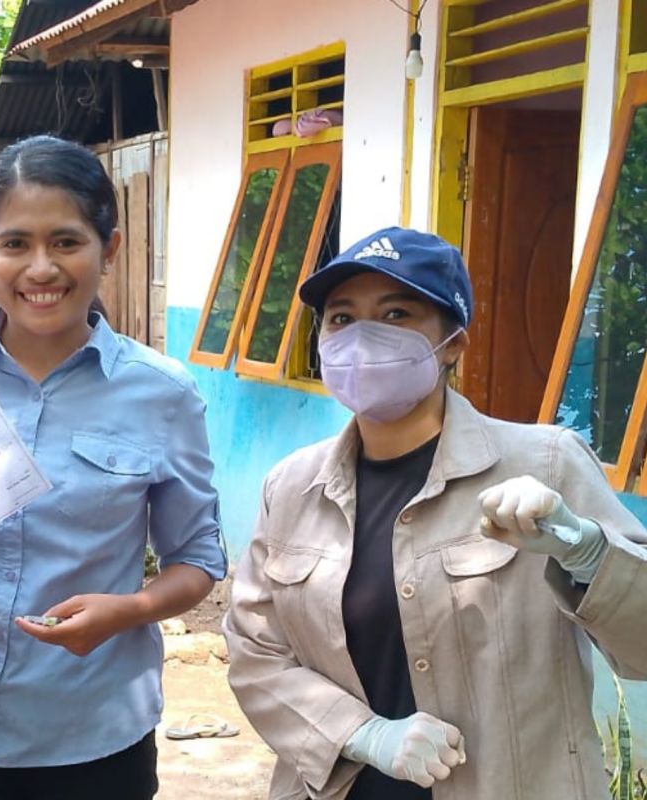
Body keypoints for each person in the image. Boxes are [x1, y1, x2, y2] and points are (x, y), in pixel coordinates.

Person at [222, 226, 647, 800]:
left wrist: (589, 553)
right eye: (342, 318)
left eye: (396, 314)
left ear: (453, 344)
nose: (363, 336)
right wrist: (363, 733)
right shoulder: (292, 487)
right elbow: (256, 655)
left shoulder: (547, 465)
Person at [0, 135, 227, 800]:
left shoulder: (162, 393)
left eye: (65, 242)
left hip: (92, 740)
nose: (41, 268)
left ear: (108, 249)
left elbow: (198, 557)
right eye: (15, 244)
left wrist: (129, 610)